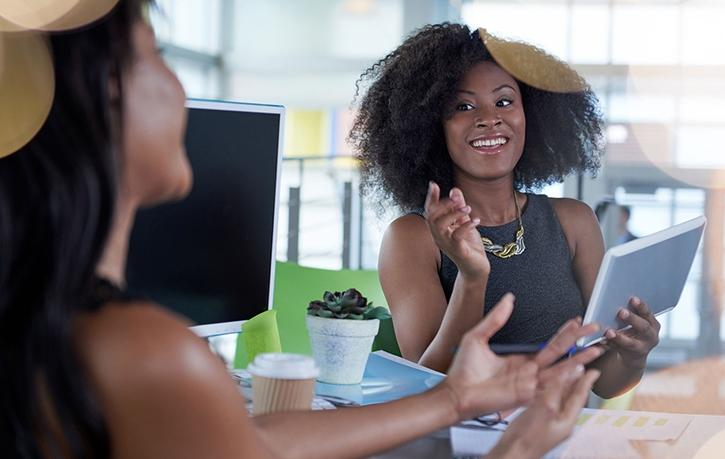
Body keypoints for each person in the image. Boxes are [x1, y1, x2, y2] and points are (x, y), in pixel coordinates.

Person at [0, 4, 605, 457]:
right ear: (106, 96)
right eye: (153, 55)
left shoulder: (51, 327)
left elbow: (259, 441)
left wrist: (454, 400)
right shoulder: (144, 353)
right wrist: (519, 448)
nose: (180, 87)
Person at [350, 23, 661, 398]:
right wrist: (472, 277)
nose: (489, 118)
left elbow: (606, 382)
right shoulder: (412, 238)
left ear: (530, 114)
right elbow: (429, 385)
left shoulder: (574, 222)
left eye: (504, 101)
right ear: (433, 127)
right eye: (463, 106)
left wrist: (634, 355)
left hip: (553, 437)